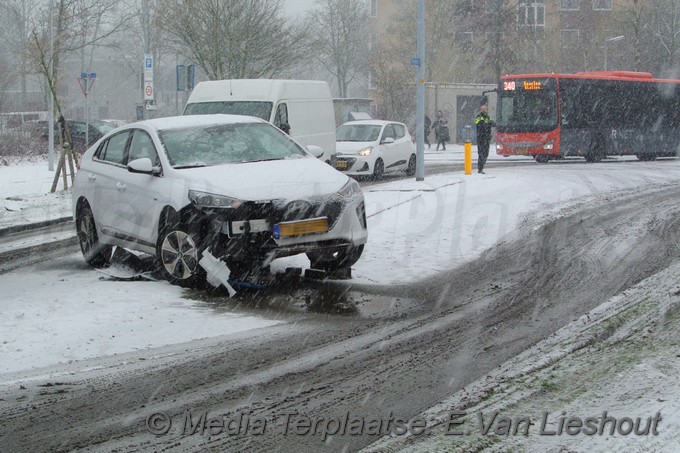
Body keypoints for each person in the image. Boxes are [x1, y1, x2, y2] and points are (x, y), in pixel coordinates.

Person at [475, 104, 495, 174]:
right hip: (481, 138)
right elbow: (479, 124)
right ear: (480, 110)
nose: (484, 110)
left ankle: (482, 166)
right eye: (482, 109)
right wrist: (487, 123)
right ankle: (480, 169)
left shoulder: (488, 117)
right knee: (481, 154)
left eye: (485, 109)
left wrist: (490, 123)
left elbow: (493, 123)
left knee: (486, 154)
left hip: (487, 139)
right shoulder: (478, 116)